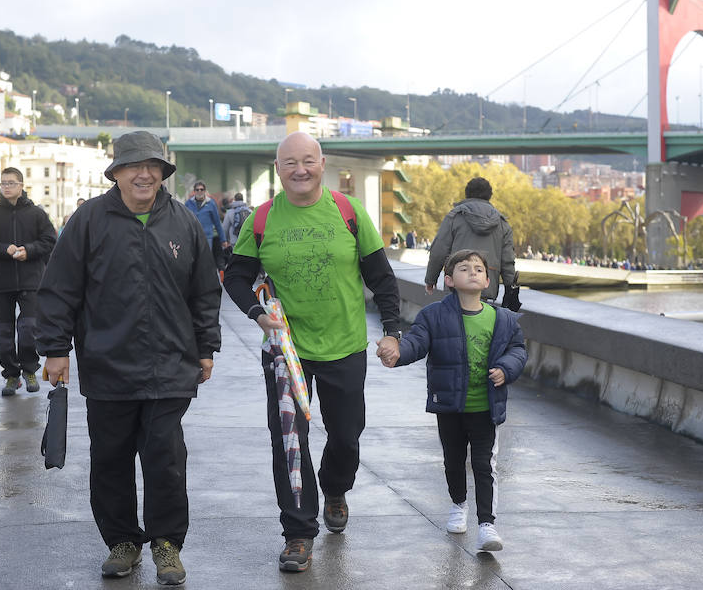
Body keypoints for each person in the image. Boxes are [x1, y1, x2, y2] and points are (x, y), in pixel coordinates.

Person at [36, 131, 221, 586]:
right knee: (111, 458)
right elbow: (59, 288)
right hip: (107, 366)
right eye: (134, 166)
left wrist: (205, 346)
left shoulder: (184, 223)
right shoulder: (89, 220)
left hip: (171, 365)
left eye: (153, 166)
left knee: (166, 457)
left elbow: (203, 292)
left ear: (163, 173)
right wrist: (56, 348)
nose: (144, 174)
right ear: (116, 173)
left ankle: (166, 544)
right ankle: (122, 541)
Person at [223, 131, 401, 573]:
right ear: (278, 169)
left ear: (322, 165)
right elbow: (235, 276)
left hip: (343, 346)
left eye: (308, 161)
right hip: (287, 351)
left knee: (346, 435)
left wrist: (393, 331)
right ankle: (298, 533)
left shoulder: (348, 211)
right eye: (290, 163)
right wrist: (257, 314)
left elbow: (381, 277)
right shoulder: (261, 219)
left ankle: (335, 486)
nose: (300, 170)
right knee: (289, 441)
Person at [378, 249, 526, 552]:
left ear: (487, 280)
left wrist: (506, 369)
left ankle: (487, 525)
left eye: (478, 269)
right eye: (463, 268)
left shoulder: (503, 319)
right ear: (449, 279)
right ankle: (458, 505)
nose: (472, 272)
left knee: (485, 465)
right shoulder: (434, 316)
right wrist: (396, 354)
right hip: (449, 405)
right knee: (454, 462)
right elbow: (416, 343)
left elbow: (518, 350)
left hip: (486, 406)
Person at [0, 167, 57, 396]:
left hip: (31, 281)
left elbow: (50, 240)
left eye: (11, 183)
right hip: (2, 282)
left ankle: (29, 369)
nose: (7, 187)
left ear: (21, 185)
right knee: (4, 333)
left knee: (29, 329)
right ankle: (11, 375)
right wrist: (4, 249)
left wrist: (28, 251)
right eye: (3, 183)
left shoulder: (36, 213)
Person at [425, 177, 516, 302]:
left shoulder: (454, 217)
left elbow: (439, 251)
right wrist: (510, 289)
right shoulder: (501, 223)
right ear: (489, 195)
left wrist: (431, 279)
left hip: (457, 283)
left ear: (467, 194)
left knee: (454, 319)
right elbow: (508, 261)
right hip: (485, 284)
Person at [185, 180, 228, 275]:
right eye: (197, 189)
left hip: (207, 237)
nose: (199, 191)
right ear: (194, 191)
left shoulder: (211, 204)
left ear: (205, 191)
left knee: (205, 260)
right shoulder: (188, 204)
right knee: (193, 259)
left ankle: (205, 281)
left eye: (201, 189)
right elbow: (184, 221)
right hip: (193, 237)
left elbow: (217, 223)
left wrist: (223, 240)